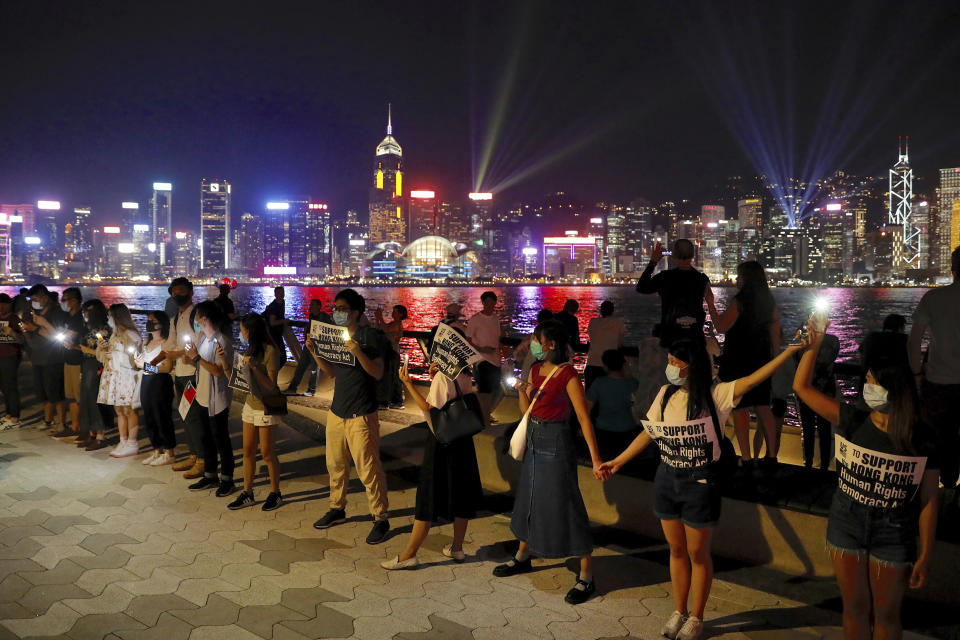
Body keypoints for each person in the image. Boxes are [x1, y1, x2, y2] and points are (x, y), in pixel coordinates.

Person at [599, 339, 804, 640]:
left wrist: (788, 352)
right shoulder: (666, 393)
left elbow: (754, 379)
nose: (670, 367)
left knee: (697, 552)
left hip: (700, 483)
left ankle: (697, 616)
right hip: (667, 478)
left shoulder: (716, 394)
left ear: (692, 367)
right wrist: (617, 461)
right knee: (677, 549)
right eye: (669, 360)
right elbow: (649, 432)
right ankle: (678, 610)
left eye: (675, 362)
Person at [795, 324, 939, 640]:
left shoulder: (921, 437)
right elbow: (802, 388)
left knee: (887, 615)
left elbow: (928, 500)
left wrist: (925, 554)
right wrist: (813, 346)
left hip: (895, 532)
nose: (866, 385)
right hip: (847, 523)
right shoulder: (853, 419)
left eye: (872, 381)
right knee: (855, 609)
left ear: (893, 386)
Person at [492, 320, 604, 605]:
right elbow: (525, 409)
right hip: (534, 436)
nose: (533, 344)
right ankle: (523, 555)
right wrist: (520, 389)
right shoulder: (535, 369)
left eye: (537, 340)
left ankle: (586, 576)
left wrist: (595, 458)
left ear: (551, 344)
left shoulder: (567, 375)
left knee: (565, 503)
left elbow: (582, 417)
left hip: (556, 442)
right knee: (529, 498)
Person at [381, 360, 485, 570]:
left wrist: (408, 382)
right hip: (462, 441)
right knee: (460, 493)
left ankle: (409, 554)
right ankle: (457, 547)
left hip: (441, 443)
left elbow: (429, 407)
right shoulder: (465, 373)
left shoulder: (443, 377)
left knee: (428, 496)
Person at [307, 289, 391, 544]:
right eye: (335, 308)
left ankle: (380, 518)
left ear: (355, 312)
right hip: (337, 411)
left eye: (342, 309)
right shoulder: (335, 337)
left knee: (368, 468)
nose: (337, 312)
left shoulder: (369, 337)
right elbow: (331, 373)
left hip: (362, 413)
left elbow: (377, 373)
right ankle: (337, 508)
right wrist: (315, 352)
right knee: (335, 464)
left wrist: (358, 352)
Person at [710, 261, 780, 465]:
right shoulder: (769, 301)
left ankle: (747, 458)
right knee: (762, 407)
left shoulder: (740, 301)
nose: (737, 279)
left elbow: (721, 327)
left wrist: (711, 304)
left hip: (738, 359)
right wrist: (773, 363)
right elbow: (775, 337)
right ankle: (772, 457)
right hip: (761, 361)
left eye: (739, 275)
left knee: (740, 408)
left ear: (746, 278)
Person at [909, 245, 960, 500]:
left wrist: (917, 372)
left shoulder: (933, 299)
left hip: (938, 383)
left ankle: (942, 490)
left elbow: (914, 340)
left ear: (953, 269)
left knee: (937, 439)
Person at [226, 313, 285, 511]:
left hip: (266, 405)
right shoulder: (249, 349)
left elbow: (271, 385)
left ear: (250, 331)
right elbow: (240, 381)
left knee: (267, 452)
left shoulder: (271, 351)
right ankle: (247, 492)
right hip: (250, 404)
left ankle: (276, 492)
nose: (241, 333)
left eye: (242, 330)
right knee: (248, 450)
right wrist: (230, 365)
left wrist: (253, 367)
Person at [183, 301, 235, 496]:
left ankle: (228, 479)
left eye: (197, 317)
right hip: (202, 396)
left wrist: (196, 358)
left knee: (221, 440)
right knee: (206, 439)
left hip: (217, 400)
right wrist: (190, 358)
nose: (195, 321)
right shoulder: (204, 339)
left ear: (204, 318)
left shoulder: (222, 341)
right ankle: (210, 475)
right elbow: (202, 366)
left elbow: (218, 371)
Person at [636, 239, 713, 349]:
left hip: (672, 338)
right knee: (695, 365)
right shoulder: (702, 279)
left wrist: (653, 261)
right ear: (693, 255)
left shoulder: (665, 277)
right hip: (695, 338)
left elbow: (641, 287)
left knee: (674, 366)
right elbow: (710, 301)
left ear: (674, 255)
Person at [166, 278, 205, 478]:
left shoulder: (196, 316)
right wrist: (175, 353)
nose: (177, 294)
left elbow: (199, 339)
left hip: (192, 374)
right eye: (174, 291)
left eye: (181, 291)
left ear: (191, 292)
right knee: (184, 415)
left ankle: (202, 459)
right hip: (180, 374)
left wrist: (177, 352)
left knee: (194, 417)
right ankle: (193, 454)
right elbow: (170, 344)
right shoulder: (175, 318)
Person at [97, 303, 142, 458]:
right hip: (116, 375)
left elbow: (134, 360)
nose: (108, 318)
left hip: (127, 376)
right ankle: (123, 440)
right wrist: (103, 349)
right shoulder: (115, 335)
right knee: (119, 410)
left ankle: (132, 442)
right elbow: (108, 357)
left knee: (130, 409)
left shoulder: (131, 334)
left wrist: (114, 355)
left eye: (110, 315)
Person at [20, 285, 67, 430]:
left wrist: (36, 328)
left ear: (44, 298)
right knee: (43, 392)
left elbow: (58, 336)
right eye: (31, 299)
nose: (33, 302)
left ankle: (62, 423)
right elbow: (31, 338)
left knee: (56, 392)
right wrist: (26, 330)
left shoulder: (56, 312)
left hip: (53, 357)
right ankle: (48, 420)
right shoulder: (35, 313)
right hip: (38, 357)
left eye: (35, 299)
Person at [136, 311, 176, 466]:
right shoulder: (146, 342)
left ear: (162, 324)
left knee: (162, 415)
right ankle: (156, 449)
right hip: (146, 380)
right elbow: (141, 364)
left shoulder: (166, 343)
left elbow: (166, 368)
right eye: (148, 320)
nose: (149, 323)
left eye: (153, 320)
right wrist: (139, 363)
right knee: (149, 416)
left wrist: (146, 367)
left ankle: (169, 452)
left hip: (160, 381)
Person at [795, 330, 839, 470]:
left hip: (806, 389)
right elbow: (833, 356)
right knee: (824, 429)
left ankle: (808, 463)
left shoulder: (804, 338)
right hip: (825, 390)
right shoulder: (833, 341)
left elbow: (796, 356)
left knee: (807, 429)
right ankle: (824, 465)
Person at [586, 349, 640, 459]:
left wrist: (582, 427)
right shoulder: (632, 384)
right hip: (627, 428)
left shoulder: (599, 382)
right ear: (623, 365)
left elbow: (587, 407)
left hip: (603, 429)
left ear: (605, 366)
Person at [74, 300, 111, 450]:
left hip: (97, 365)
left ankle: (100, 435)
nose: (84, 315)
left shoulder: (104, 330)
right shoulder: (88, 327)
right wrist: (76, 347)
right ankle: (91, 433)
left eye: (87, 312)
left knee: (95, 399)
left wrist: (85, 349)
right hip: (87, 364)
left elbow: (105, 352)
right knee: (86, 398)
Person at [466, 291, 505, 421]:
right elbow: (468, 340)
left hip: (495, 360)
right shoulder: (475, 319)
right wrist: (481, 349)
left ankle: (485, 413)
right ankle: (484, 416)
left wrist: (501, 353)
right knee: (484, 391)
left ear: (495, 303)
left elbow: (497, 338)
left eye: (492, 302)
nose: (489, 305)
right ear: (483, 302)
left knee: (497, 390)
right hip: (482, 360)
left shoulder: (495, 319)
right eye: (487, 302)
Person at [52, 287, 85, 441]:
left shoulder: (80, 318)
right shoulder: (67, 317)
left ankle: (83, 428)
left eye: (64, 300)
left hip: (79, 361)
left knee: (79, 396)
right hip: (68, 360)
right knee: (70, 396)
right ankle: (74, 427)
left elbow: (67, 335)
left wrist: (60, 333)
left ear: (74, 301)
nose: (62, 303)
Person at [283, 299, 331, 396]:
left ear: (319, 306)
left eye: (313, 305)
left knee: (314, 368)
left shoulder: (324, 317)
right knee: (301, 366)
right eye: (311, 305)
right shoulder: (312, 316)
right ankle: (293, 388)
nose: (310, 307)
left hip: (316, 346)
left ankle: (311, 389)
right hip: (308, 345)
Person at [585, 301, 625, 391]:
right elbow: (621, 342)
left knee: (589, 396)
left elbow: (591, 336)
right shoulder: (618, 322)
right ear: (613, 311)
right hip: (609, 365)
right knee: (608, 394)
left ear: (601, 311)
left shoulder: (592, 322)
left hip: (592, 363)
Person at [375, 303, 408, 409]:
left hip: (392, 353)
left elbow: (385, 329)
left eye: (395, 311)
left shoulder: (397, 324)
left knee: (392, 377)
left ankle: (396, 401)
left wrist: (380, 317)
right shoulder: (394, 323)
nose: (393, 313)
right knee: (388, 376)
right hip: (388, 352)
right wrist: (377, 318)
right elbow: (381, 328)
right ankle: (390, 401)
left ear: (400, 314)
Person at [0, 294, 25, 430]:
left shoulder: (14, 319)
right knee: (3, 386)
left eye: (3, 304)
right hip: (1, 355)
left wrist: (12, 333)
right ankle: (8, 414)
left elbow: (22, 338)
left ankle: (15, 416)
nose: (1, 307)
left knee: (11, 385)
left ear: (8, 304)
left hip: (11, 355)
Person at [861, 314, 908, 381]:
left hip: (870, 382)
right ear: (900, 328)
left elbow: (862, 356)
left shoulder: (871, 337)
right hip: (895, 383)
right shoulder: (903, 339)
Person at [511, 309, 554, 382]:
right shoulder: (554, 338)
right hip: (543, 373)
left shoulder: (532, 336)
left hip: (528, 370)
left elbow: (516, 354)